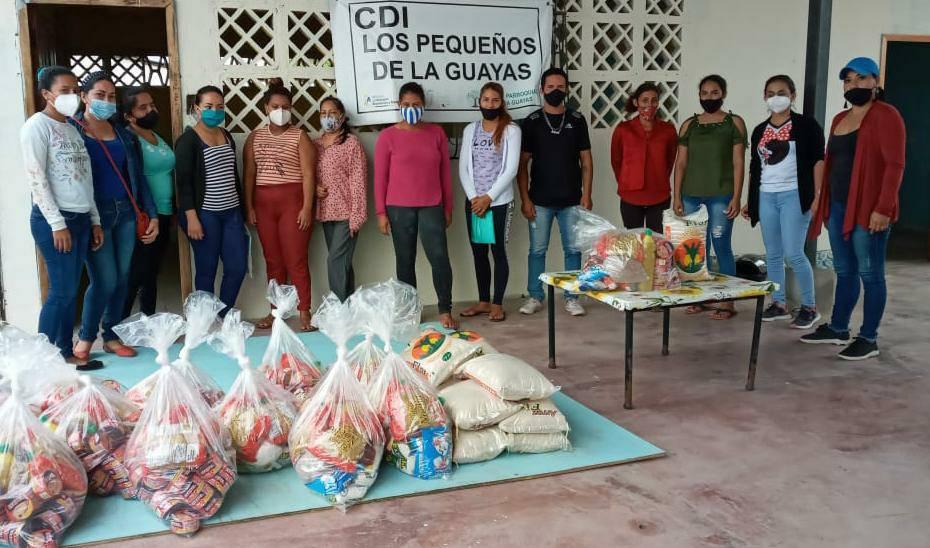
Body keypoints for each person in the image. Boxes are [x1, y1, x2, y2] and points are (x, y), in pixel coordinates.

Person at [801, 57, 905, 361]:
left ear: (875, 82)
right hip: (838, 207)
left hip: (869, 210)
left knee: (871, 274)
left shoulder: (886, 115)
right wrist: (821, 199)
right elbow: (832, 162)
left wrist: (883, 208)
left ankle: (869, 338)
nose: (854, 84)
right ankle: (838, 328)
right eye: (848, 80)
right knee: (844, 270)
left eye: (861, 78)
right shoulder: (839, 119)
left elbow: (895, 165)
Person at [71, 71, 159, 360]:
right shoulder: (72, 132)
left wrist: (152, 214)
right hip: (95, 215)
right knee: (104, 279)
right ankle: (86, 336)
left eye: (111, 97)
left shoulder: (123, 133)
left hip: (126, 212)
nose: (106, 101)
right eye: (100, 95)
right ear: (84, 97)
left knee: (123, 277)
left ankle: (111, 335)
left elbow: (138, 177)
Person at [21, 66, 104, 370]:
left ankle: (65, 352)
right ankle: (40, 361)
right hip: (55, 221)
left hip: (80, 218)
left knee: (71, 291)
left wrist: (94, 219)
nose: (72, 96)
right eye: (64, 91)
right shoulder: (36, 127)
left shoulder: (71, 128)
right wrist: (57, 224)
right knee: (61, 291)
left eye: (75, 90)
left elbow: (85, 179)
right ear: (46, 94)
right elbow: (37, 179)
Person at [743, 75, 824, 329]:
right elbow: (755, 167)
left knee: (794, 253)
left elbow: (818, 161)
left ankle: (810, 307)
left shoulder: (806, 125)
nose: (775, 98)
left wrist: (818, 195)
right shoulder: (760, 130)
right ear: (764, 97)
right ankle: (778, 303)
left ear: (793, 95)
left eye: (782, 93)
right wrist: (751, 200)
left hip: (794, 196)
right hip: (767, 195)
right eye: (770, 93)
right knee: (773, 254)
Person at [374, 82, 457, 329]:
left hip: (432, 205)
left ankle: (445, 309)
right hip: (398, 208)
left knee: (439, 258)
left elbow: (445, 174)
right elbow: (380, 178)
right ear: (398, 105)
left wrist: (448, 207)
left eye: (416, 104)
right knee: (405, 260)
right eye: (406, 104)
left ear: (424, 105)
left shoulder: (436, 133)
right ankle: (411, 311)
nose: (411, 108)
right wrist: (381, 212)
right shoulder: (387, 137)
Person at [518, 67, 593, 317]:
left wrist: (587, 194)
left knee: (573, 250)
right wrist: (525, 199)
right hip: (539, 201)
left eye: (560, 87)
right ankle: (535, 295)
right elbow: (522, 165)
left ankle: (572, 296)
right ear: (542, 90)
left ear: (567, 89)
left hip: (572, 200)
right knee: (537, 251)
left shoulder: (577, 120)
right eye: (550, 87)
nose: (555, 91)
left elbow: (586, 161)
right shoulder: (532, 122)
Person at [244, 79, 317, 331]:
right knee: (273, 261)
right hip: (263, 205)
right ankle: (276, 311)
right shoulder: (255, 137)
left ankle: (305, 311)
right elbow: (249, 175)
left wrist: (307, 208)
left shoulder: (300, 137)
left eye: (285, 107)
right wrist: (249, 207)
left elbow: (308, 174)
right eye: (275, 106)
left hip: (293, 203)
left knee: (296, 259)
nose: (281, 111)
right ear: (266, 107)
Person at [673, 74, 747, 320]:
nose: (709, 97)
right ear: (699, 95)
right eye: (704, 93)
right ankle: (700, 297)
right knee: (695, 249)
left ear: (723, 94)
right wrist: (677, 196)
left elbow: (738, 162)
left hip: (721, 194)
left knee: (721, 244)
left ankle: (727, 301)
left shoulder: (733, 123)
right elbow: (681, 163)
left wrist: (737, 196)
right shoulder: (689, 125)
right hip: (691, 195)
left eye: (714, 92)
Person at [175, 85, 249, 315]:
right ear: (197, 108)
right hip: (204, 214)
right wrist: (191, 218)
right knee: (206, 270)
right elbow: (183, 183)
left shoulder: (226, 135)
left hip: (231, 213)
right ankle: (205, 320)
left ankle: (224, 315)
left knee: (237, 267)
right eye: (208, 106)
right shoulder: (188, 140)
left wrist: (242, 211)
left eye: (219, 106)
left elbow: (232, 173)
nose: (214, 111)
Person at [458, 82, 521, 322]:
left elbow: (511, 169)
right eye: (486, 100)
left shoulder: (511, 130)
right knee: (479, 252)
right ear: (480, 102)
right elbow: (464, 167)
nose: (490, 104)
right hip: (474, 202)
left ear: (501, 103)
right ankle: (483, 301)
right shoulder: (470, 130)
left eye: (495, 100)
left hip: (499, 203)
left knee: (498, 252)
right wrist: (474, 197)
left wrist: (488, 197)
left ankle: (497, 303)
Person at [122, 86, 176, 317]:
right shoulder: (129, 139)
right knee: (137, 273)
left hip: (163, 213)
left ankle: (149, 320)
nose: (151, 110)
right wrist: (147, 213)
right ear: (129, 115)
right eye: (143, 108)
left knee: (151, 271)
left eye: (152, 105)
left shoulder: (155, 136)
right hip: (144, 216)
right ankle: (117, 326)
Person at [314, 97, 367, 302]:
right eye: (323, 113)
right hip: (326, 212)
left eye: (332, 113)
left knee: (334, 261)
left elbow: (359, 180)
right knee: (343, 263)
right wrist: (314, 189)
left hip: (347, 213)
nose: (327, 117)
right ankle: (349, 305)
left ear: (342, 117)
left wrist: (357, 216)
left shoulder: (351, 143)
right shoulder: (316, 144)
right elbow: (308, 175)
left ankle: (338, 307)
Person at [610, 82, 678, 233]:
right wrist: (626, 181)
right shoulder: (623, 129)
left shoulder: (668, 130)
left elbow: (670, 159)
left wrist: (659, 177)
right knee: (634, 240)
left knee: (657, 241)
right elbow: (616, 160)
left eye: (654, 100)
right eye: (645, 100)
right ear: (636, 102)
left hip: (659, 194)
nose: (650, 105)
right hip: (631, 195)